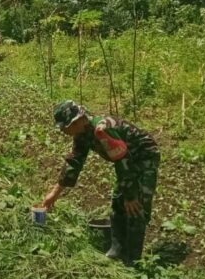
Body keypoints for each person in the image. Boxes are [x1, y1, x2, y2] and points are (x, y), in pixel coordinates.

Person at [38, 100, 160, 265]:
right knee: (118, 201)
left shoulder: (102, 130)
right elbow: (74, 162)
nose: (64, 132)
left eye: (65, 127)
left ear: (76, 121)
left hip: (143, 155)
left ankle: (133, 260)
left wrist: (130, 195)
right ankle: (117, 249)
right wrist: (54, 194)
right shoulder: (82, 133)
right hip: (125, 160)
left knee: (136, 205)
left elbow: (123, 161)